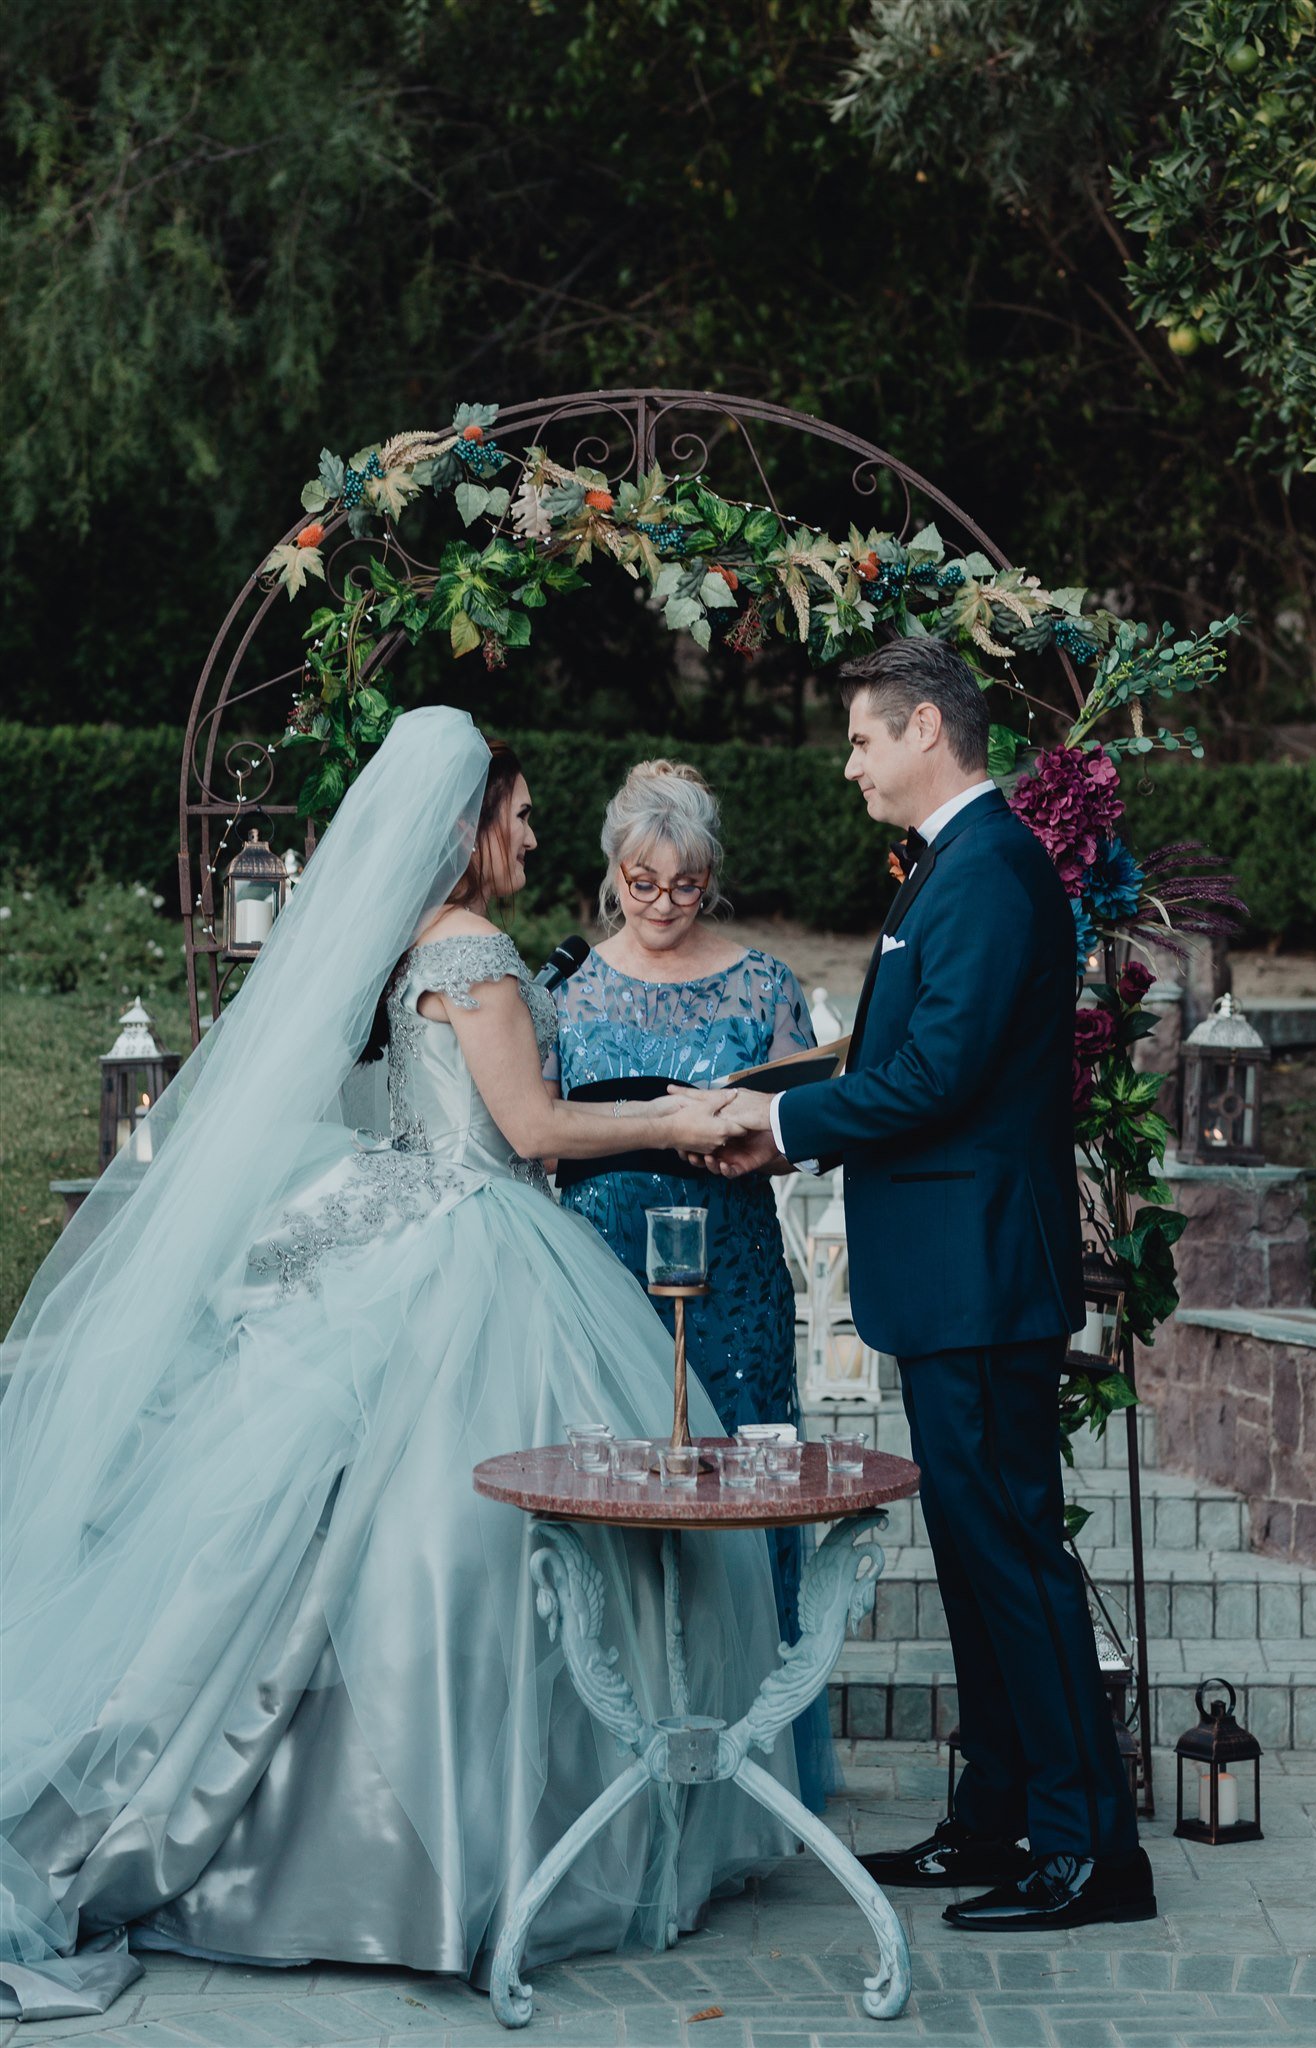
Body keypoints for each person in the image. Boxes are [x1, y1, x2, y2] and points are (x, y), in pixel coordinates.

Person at [0, 711, 798, 2023]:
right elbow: (531, 1125)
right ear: (473, 824)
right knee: (486, 1549)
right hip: (476, 1242)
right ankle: (466, 1857)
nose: (537, 836)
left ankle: (378, 1846)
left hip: (440, 1220)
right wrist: (688, 1111)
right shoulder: (472, 946)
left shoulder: (420, 944)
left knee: (364, 1555)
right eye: (524, 814)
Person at [702, 638, 1154, 1933]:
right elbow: (888, 1055)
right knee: (974, 1556)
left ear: (922, 734)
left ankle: (1089, 1852)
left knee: (1010, 1555)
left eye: (859, 739)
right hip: (948, 1275)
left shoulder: (992, 872)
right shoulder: (952, 869)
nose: (848, 765)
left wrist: (782, 1131)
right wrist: (780, 1098)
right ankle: (997, 1816)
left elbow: (938, 1078)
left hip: (980, 1273)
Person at [547, 758, 836, 1810]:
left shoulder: (761, 981)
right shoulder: (565, 984)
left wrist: (759, 1138)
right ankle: (623, 1749)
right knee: (617, 1480)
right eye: (640, 880)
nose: (662, 904)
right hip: (603, 1266)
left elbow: (812, 1123)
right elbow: (535, 1130)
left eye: (683, 884)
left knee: (743, 1482)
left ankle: (750, 1761)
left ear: (709, 877)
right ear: (613, 870)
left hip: (735, 1269)